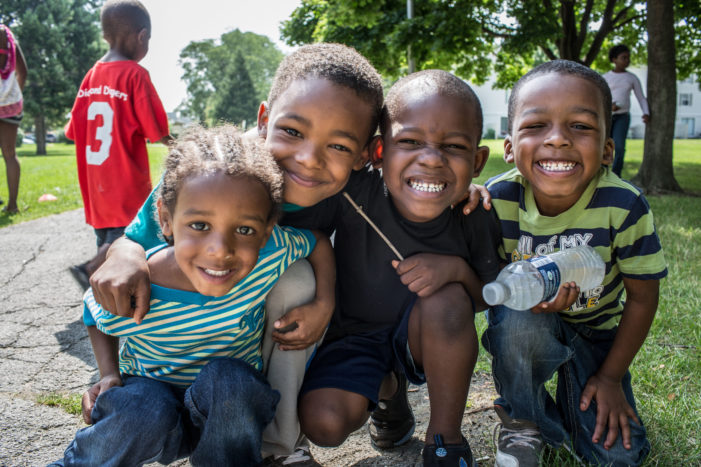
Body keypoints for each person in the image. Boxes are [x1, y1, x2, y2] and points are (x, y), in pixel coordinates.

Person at [89, 42, 384, 467]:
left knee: (298, 281)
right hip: (191, 335)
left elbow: (414, 177)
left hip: (255, 333)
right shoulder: (221, 171)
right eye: (293, 132)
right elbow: (141, 233)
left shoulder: (356, 188)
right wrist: (123, 253)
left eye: (337, 146)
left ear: (362, 154)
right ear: (264, 120)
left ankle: (280, 446)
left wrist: (326, 302)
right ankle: (178, 401)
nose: (308, 158)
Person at [52, 125, 333, 466]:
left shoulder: (270, 253)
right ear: (166, 220)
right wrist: (108, 373)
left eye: (244, 230)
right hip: (151, 398)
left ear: (266, 233)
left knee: (233, 384)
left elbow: (317, 241)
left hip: (227, 415)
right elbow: (94, 315)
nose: (220, 251)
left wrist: (324, 303)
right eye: (200, 225)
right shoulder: (142, 283)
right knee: (139, 409)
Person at [282, 69, 502, 466]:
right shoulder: (351, 191)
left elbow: (486, 298)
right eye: (411, 141)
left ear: (478, 159)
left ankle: (444, 440)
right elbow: (300, 227)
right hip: (353, 336)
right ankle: (388, 392)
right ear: (380, 151)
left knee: (447, 301)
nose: (432, 159)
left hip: (424, 337)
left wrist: (455, 270)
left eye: (453, 147)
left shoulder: (474, 212)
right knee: (324, 423)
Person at [482, 60, 667, 467]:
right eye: (535, 126)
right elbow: (485, 283)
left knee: (618, 457)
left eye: (580, 126)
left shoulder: (624, 206)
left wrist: (610, 377)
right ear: (509, 146)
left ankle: (578, 393)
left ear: (607, 149)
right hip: (527, 326)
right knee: (515, 319)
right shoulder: (497, 199)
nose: (558, 139)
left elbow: (641, 298)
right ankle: (524, 421)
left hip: (598, 337)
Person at [65, 0, 171, 291]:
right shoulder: (135, 75)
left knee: (109, 238)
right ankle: (91, 270)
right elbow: (158, 132)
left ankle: (104, 292)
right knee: (130, 237)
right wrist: (181, 148)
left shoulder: (91, 76)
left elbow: (73, 131)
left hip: (96, 186)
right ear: (141, 36)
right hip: (124, 182)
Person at [603, 44, 650, 177]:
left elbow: (641, 97)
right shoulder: (606, 77)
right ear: (614, 59)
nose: (627, 60)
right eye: (623, 57)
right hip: (607, 117)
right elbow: (599, 97)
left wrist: (646, 112)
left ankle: (616, 175)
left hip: (622, 117)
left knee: (619, 147)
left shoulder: (631, 78)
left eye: (628, 58)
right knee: (603, 145)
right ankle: (602, 173)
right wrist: (609, 106)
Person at [0, 24, 27, 215]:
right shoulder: (9, 39)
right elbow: (22, 71)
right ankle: (12, 205)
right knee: (10, 154)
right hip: (10, 104)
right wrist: (13, 94)